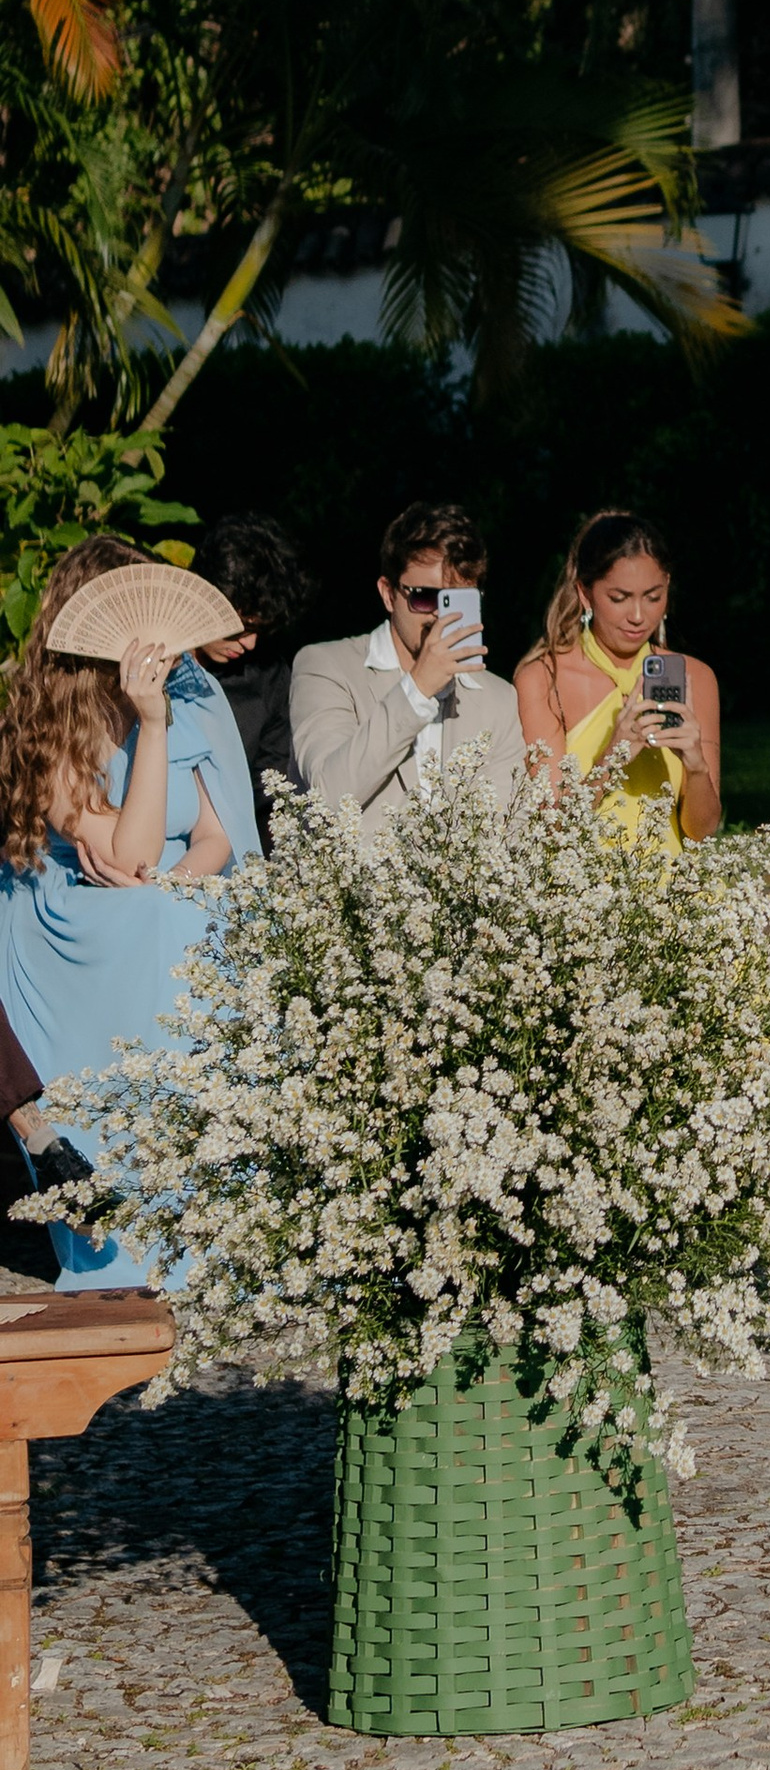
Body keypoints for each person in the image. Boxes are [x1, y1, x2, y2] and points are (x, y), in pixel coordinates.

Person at [0, 534, 262, 1288]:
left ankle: (223, 1219)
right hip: (69, 913)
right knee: (157, 922)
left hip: (169, 893)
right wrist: (149, 725)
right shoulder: (50, 712)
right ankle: (130, 1225)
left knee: (203, 919)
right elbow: (128, 850)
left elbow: (216, 833)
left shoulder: (196, 692)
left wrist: (177, 883)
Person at [290, 502, 528, 841]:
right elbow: (327, 798)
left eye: (456, 601)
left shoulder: (498, 698)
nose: (438, 617)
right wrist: (417, 689)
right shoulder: (325, 666)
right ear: (388, 594)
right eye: (424, 598)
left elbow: (509, 832)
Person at [515, 508, 721, 850]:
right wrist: (612, 757)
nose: (639, 616)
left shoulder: (696, 677)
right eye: (619, 598)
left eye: (653, 597)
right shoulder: (542, 678)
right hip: (580, 890)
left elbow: (702, 832)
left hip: (676, 890)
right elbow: (551, 831)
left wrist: (696, 766)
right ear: (585, 593)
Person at [196, 511, 312, 849]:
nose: (250, 643)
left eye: (259, 629)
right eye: (240, 628)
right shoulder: (149, 661)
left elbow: (268, 798)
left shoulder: (269, 679)